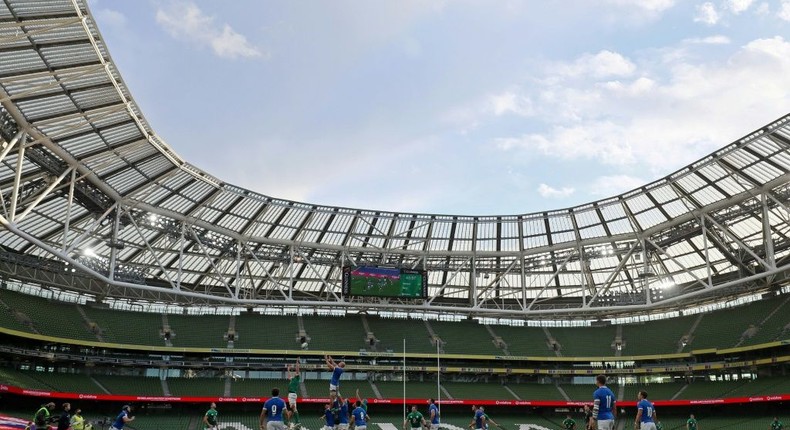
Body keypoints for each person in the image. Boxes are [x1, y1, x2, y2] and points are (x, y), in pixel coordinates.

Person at [286, 361, 301, 429]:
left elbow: (297, 370)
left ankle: (298, 422)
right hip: (292, 394)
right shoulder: (293, 379)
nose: (295, 373)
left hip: (292, 394)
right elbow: (289, 377)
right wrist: (288, 369)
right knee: (293, 409)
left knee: (293, 407)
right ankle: (294, 422)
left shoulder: (297, 378)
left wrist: (297, 364)